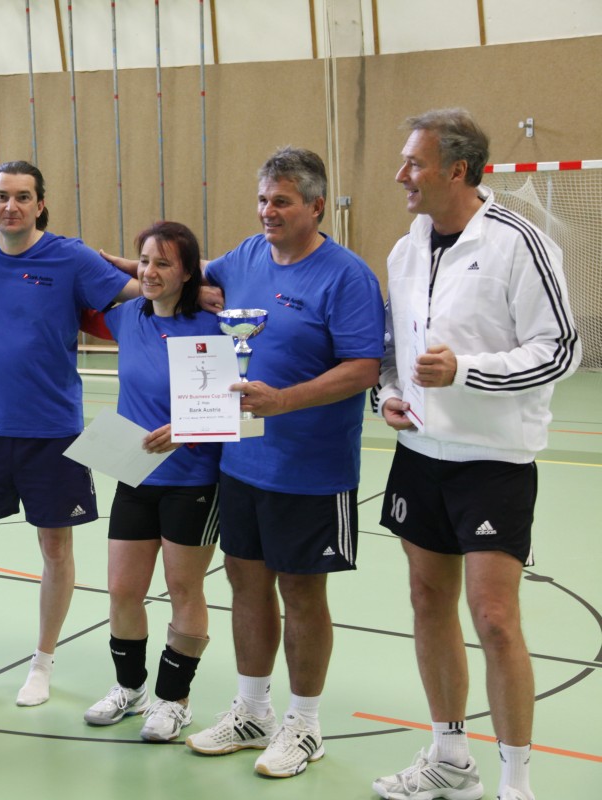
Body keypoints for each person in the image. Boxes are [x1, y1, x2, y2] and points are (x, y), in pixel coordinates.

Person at [370, 109, 579, 800]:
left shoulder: (521, 243)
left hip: (493, 461)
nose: (400, 174)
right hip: (419, 454)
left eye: (414, 163)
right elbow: (394, 350)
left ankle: (516, 782)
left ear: (456, 170)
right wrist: (388, 395)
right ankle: (450, 757)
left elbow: (561, 349)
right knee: (427, 601)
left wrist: (465, 371)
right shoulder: (405, 250)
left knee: (493, 619)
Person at [181, 147, 384, 778]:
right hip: (242, 462)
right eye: (263, 199)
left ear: (316, 206)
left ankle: (305, 723)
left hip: (312, 469)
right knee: (245, 583)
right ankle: (252, 711)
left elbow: (363, 368)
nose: (268, 211)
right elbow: (180, 274)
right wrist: (117, 264)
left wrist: (283, 402)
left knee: (302, 592)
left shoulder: (347, 277)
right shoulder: (243, 257)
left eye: (283, 201)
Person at [0, 160, 139, 707]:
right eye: (2, 196)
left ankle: (42, 664)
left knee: (55, 548)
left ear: (40, 204)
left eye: (23, 197)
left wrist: (197, 290)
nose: (11, 206)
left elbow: (142, 290)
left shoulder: (70, 257)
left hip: (52, 431)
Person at [79, 221, 222, 743]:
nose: (150, 272)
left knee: (184, 588)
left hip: (194, 479)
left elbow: (239, 408)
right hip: (135, 474)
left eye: (163, 263)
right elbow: (71, 288)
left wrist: (187, 431)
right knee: (123, 589)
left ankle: (174, 700)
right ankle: (130, 688)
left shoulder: (214, 328)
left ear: (187, 272)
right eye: (144, 261)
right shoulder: (126, 317)